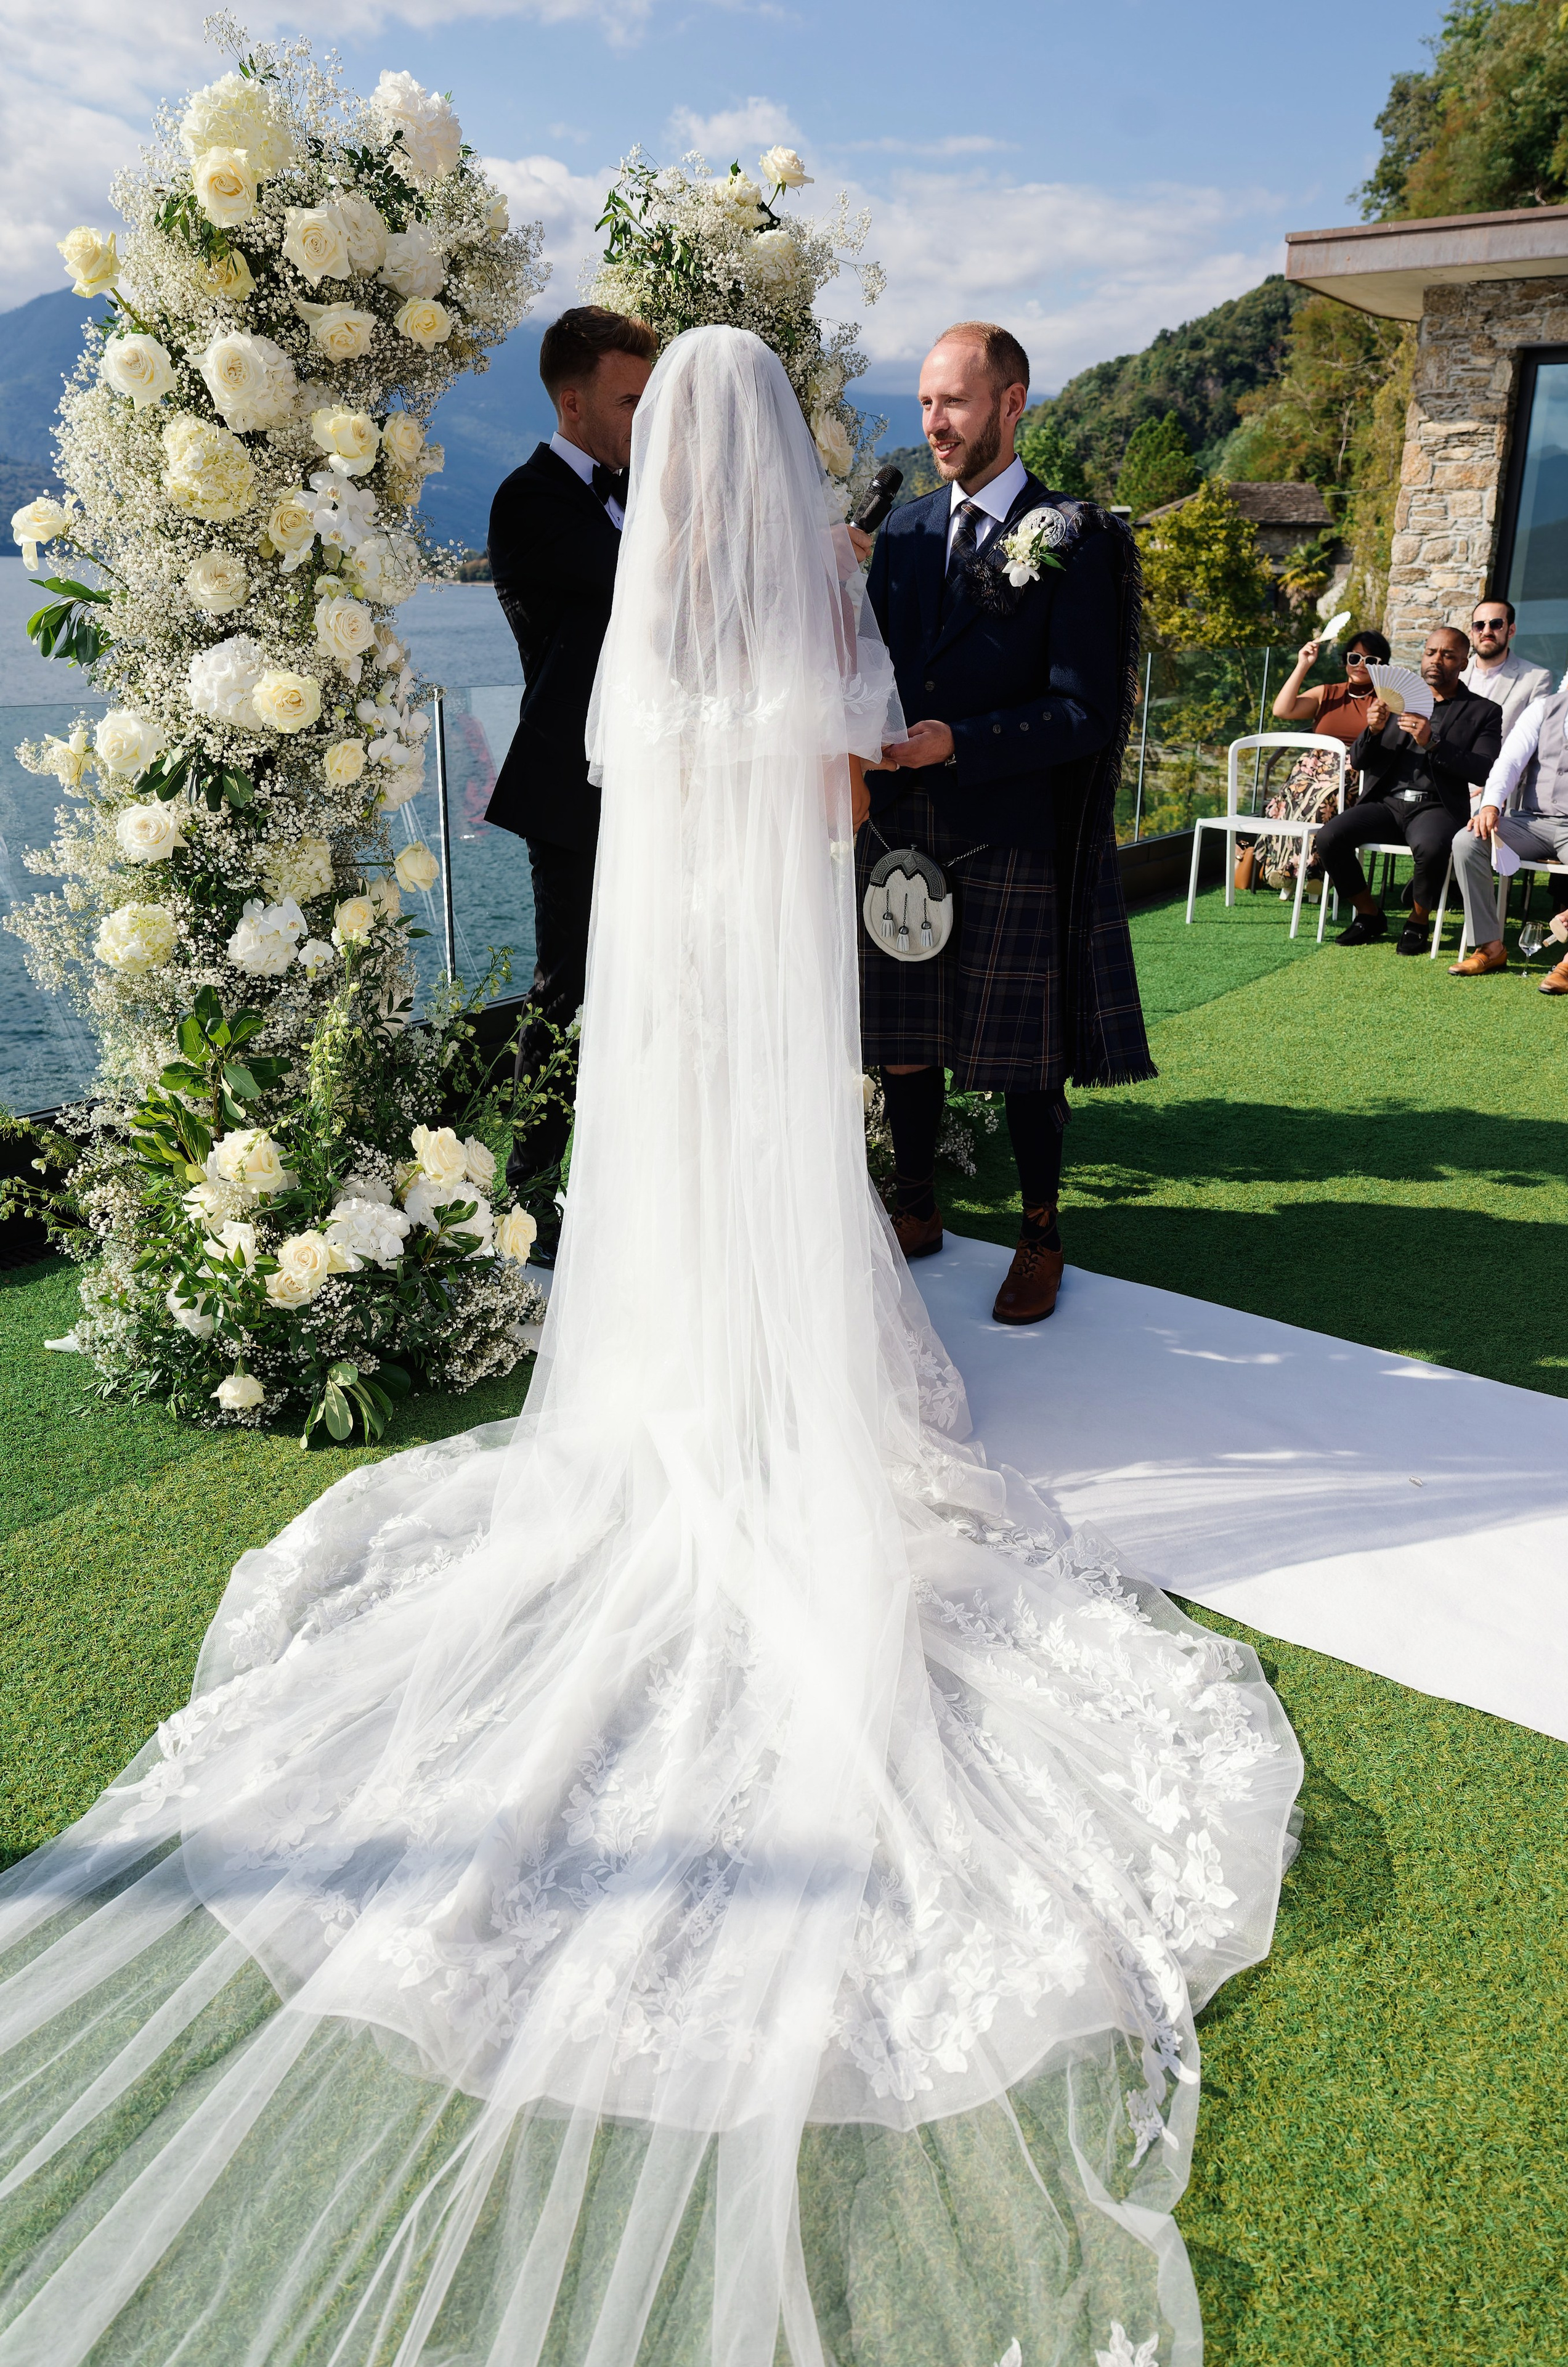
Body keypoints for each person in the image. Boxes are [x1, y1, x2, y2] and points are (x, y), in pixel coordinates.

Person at [0, 327, 1299, 2366]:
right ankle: (788, 1381)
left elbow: (624, 773)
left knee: (670, 1189)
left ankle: (685, 1385)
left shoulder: (644, 632)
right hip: (772, 977)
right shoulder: (819, 614)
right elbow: (850, 773)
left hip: (669, 989)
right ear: (775, 456)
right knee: (784, 1184)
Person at [858, 319, 1152, 1328]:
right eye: (928, 402)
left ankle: (1040, 1231)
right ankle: (916, 1207)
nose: (935, 423)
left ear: (1012, 404)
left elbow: (1084, 711)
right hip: (898, 825)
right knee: (902, 1037)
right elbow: (872, 672)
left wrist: (960, 742)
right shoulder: (898, 537)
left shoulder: (1074, 536)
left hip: (1009, 827)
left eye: (956, 402)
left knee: (1023, 1054)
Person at [484, 304, 657, 1211]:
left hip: (660, 777)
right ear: (572, 403)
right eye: (631, 401)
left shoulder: (643, 491)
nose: (646, 420)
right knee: (569, 987)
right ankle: (533, 1188)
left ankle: (636, 1172)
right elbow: (643, 583)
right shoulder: (530, 498)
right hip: (574, 788)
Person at [1314, 624, 1501, 953]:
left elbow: (1484, 769)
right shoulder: (1392, 701)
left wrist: (1433, 743)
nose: (1436, 660)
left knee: (1430, 847)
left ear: (1464, 662)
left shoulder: (1483, 711)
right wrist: (1371, 730)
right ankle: (1369, 914)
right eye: (1431, 653)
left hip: (1436, 807)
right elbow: (1358, 761)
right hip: (1386, 805)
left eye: (1448, 655)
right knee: (1329, 837)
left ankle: (1418, 920)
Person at [1448, 619, 1568, 977]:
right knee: (1467, 841)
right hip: (1532, 821)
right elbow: (1509, 761)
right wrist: (1491, 805)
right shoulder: (1544, 708)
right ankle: (1490, 946)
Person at [1271, 627, 1391, 746]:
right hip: (1319, 764)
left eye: (1370, 661)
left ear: (1381, 665)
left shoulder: (1386, 701)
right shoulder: (1326, 693)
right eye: (1355, 658)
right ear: (1346, 659)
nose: (1361, 664)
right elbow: (1282, 711)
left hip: (1363, 764)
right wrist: (1303, 664)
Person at [1461, 597, 1551, 740]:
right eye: (1479, 626)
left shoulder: (1536, 678)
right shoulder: (1456, 673)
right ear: (1472, 632)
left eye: (1496, 624)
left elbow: (1533, 736)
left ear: (1511, 630)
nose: (1487, 632)